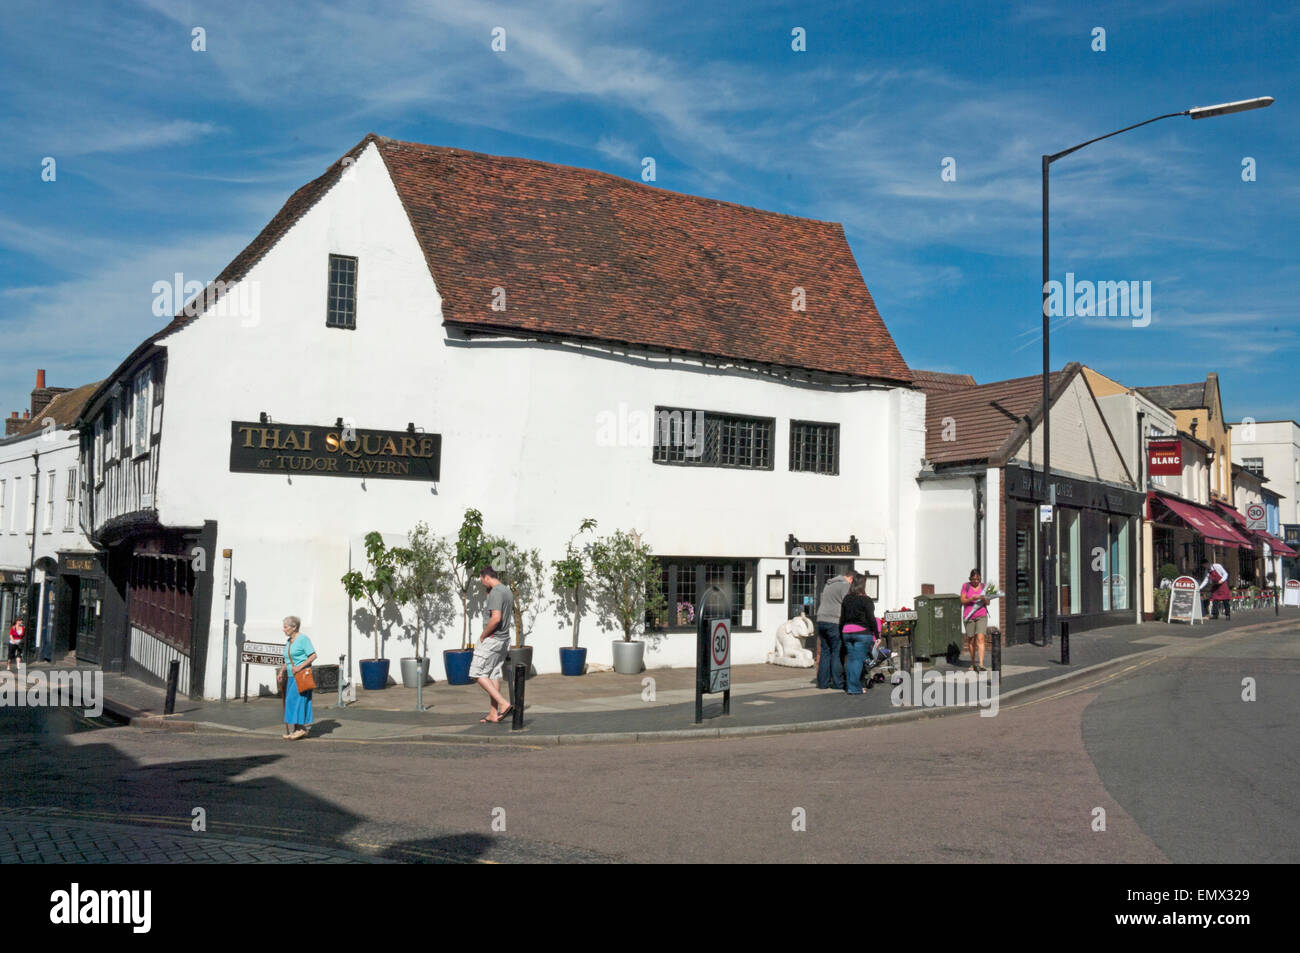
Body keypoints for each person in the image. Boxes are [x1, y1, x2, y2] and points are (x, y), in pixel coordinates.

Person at [472, 565, 514, 724]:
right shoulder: (506, 590)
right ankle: (493, 713)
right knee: (492, 674)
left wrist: (483, 635)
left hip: (492, 638)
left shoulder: (496, 592)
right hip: (503, 639)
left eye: (482, 581)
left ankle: (504, 704)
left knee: (476, 673)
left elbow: (496, 618)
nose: (482, 584)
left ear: (486, 577)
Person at [839, 574, 877, 695]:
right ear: (862, 585)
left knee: (851, 660)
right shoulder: (866, 600)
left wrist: (842, 632)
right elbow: (871, 619)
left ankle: (851, 686)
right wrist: (877, 635)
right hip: (862, 633)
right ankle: (854, 688)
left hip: (847, 632)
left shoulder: (846, 598)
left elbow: (842, 618)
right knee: (857, 660)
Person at [279, 616, 317, 740]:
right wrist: (281, 672)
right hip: (291, 676)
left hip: (300, 676)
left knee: (298, 701)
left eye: (286, 627)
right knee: (291, 701)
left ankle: (301, 728)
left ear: (294, 627)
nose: (283, 630)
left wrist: (300, 667)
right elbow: (288, 659)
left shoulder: (303, 639)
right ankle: (297, 729)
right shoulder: (289, 641)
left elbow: (313, 656)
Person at [815, 569, 853, 690]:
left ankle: (822, 683)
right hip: (834, 621)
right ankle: (837, 683)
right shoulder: (845, 585)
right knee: (837, 652)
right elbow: (847, 604)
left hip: (821, 619)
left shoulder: (829, 584)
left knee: (825, 652)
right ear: (851, 578)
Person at [960, 569, 990, 672]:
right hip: (969, 616)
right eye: (974, 579)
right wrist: (972, 598)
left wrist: (984, 598)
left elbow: (988, 602)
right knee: (971, 640)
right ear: (970, 579)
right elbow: (963, 600)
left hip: (981, 615)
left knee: (980, 638)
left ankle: (981, 664)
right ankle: (973, 663)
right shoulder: (966, 586)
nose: (976, 581)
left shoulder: (984, 586)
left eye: (978, 579)